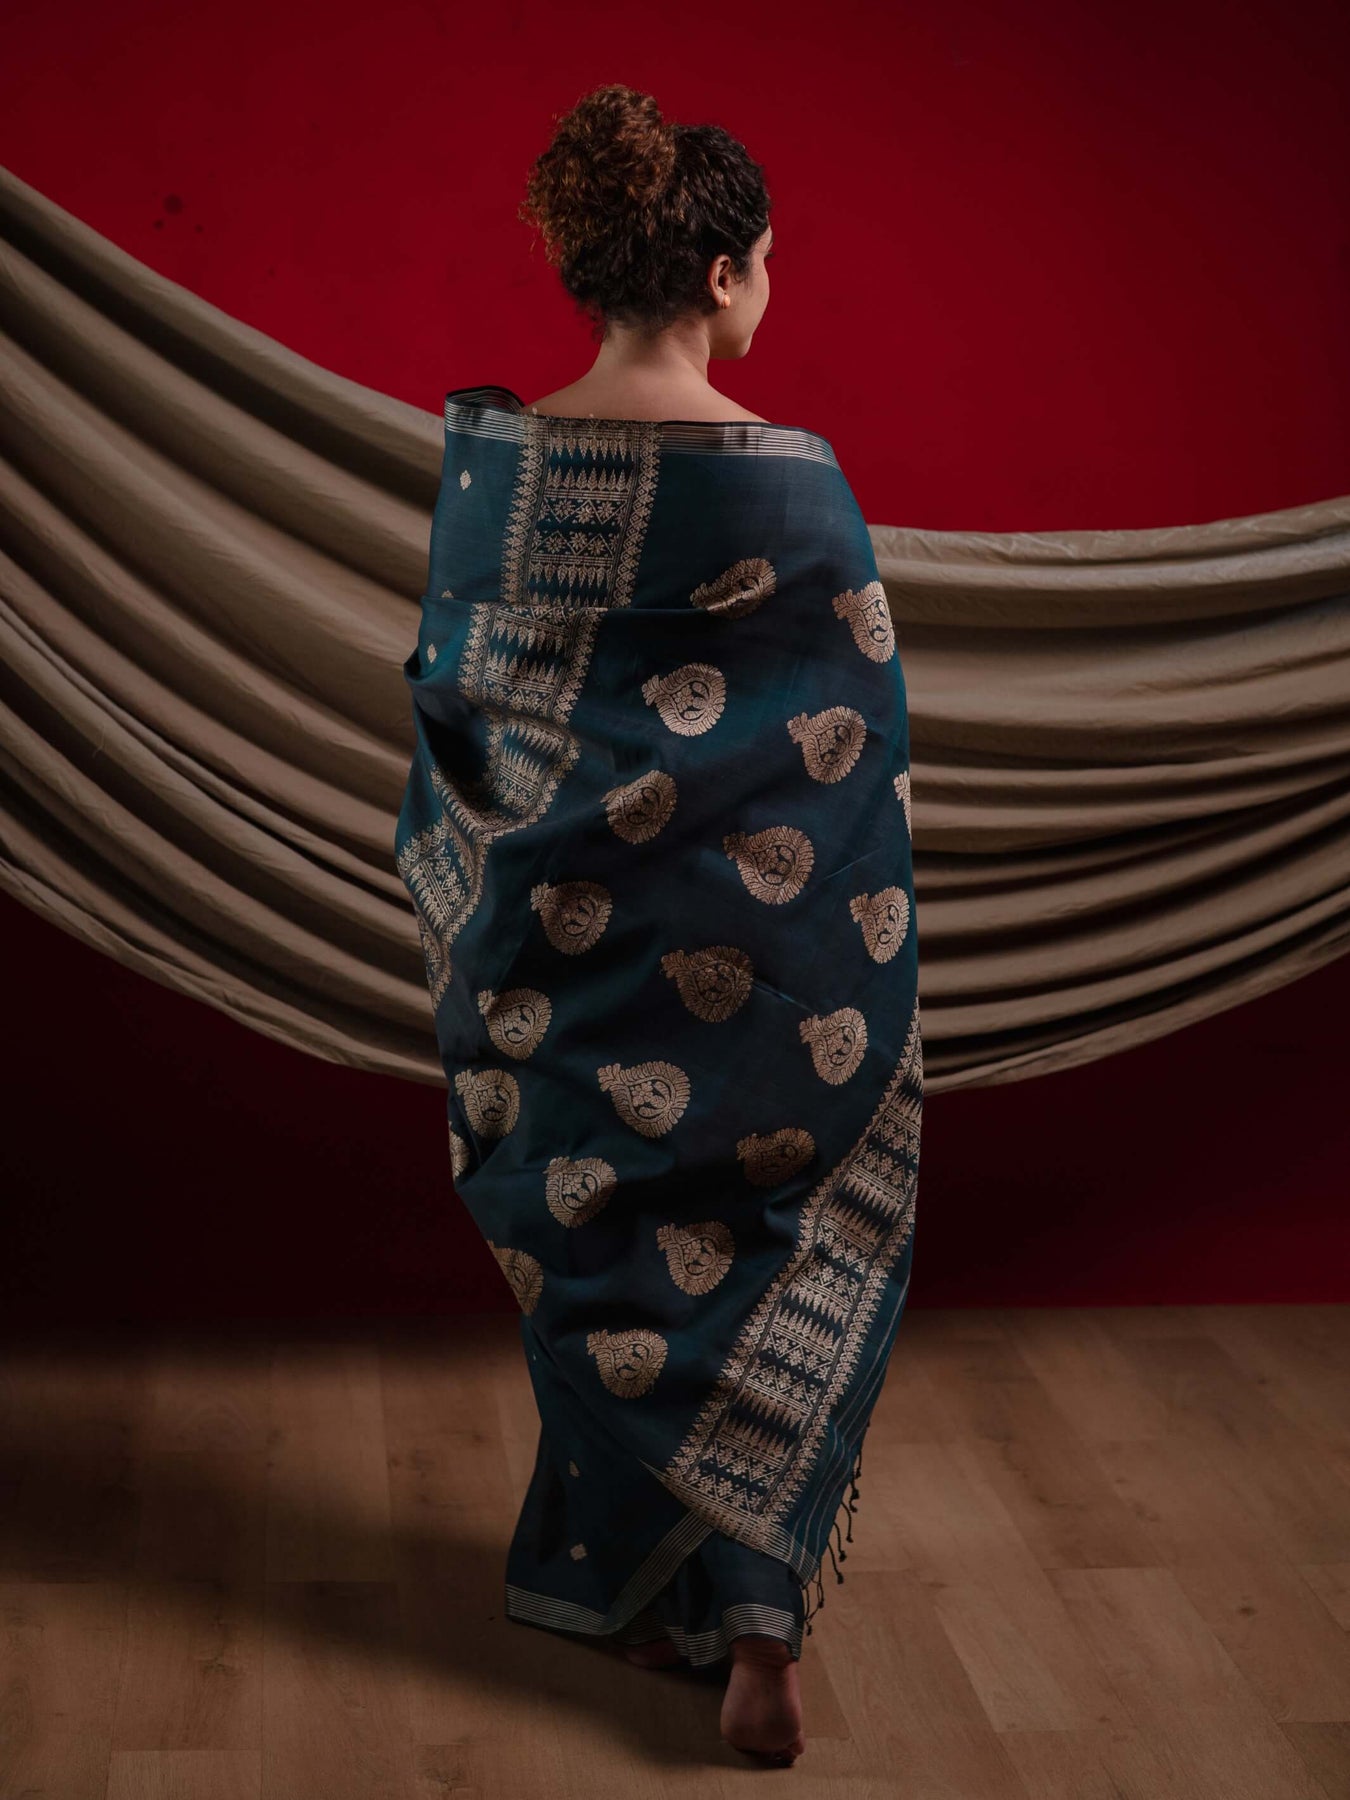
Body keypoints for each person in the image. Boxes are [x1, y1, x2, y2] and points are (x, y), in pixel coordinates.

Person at [394, 81, 921, 1766]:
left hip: (559, 965)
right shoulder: (795, 492)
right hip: (769, 973)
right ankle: (753, 1622)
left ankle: (639, 1593)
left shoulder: (496, 477)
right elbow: (848, 749)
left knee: (599, 1239)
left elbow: (460, 712)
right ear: (718, 273)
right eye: (767, 260)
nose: (770, 287)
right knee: (757, 1241)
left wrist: (503, 893)